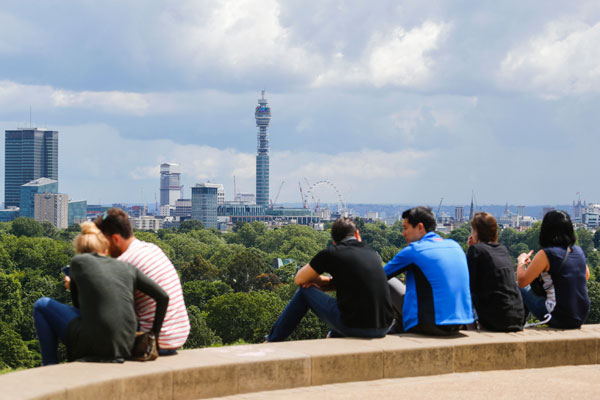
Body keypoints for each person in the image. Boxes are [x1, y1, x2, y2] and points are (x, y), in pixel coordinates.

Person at [33, 222, 168, 365]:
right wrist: (154, 335)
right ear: (105, 249)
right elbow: (163, 297)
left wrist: (72, 285)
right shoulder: (127, 267)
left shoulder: (79, 262)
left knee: (41, 305)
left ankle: (49, 364)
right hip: (126, 345)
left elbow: (79, 307)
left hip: (95, 345)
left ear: (80, 249)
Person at [265, 217, 394, 342]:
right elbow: (354, 284)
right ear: (357, 234)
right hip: (384, 326)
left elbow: (299, 279)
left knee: (304, 291)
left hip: (355, 326)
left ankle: (272, 339)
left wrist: (317, 283)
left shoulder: (332, 253)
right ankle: (332, 337)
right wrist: (328, 283)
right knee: (349, 306)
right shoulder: (373, 253)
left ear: (334, 241)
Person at [94, 208, 190, 353]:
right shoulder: (152, 248)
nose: (102, 247)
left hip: (152, 342)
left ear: (115, 239)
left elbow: (108, 311)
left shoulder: (124, 263)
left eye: (103, 241)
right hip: (177, 337)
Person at [384, 206, 473, 335]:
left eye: (405, 228)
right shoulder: (455, 246)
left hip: (430, 323)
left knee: (388, 282)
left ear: (420, 227)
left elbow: (378, 276)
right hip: (459, 323)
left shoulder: (415, 250)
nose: (403, 233)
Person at [517, 210, 590, 329]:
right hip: (580, 315)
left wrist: (521, 262)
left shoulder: (547, 254)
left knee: (520, 288)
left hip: (558, 315)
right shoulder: (578, 251)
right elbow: (585, 275)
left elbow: (522, 281)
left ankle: (518, 326)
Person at [466, 212, 523, 331]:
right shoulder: (502, 249)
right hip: (517, 318)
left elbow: (467, 285)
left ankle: (471, 330)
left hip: (496, 319)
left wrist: (471, 248)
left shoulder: (476, 250)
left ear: (476, 231)